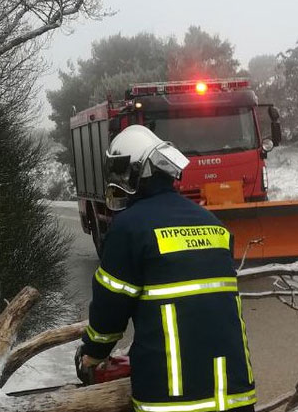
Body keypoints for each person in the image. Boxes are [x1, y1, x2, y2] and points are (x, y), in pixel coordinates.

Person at [76, 125, 256, 412]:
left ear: (132, 173)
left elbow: (110, 309)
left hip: (171, 398)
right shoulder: (213, 224)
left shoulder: (129, 228)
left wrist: (92, 354)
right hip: (235, 393)